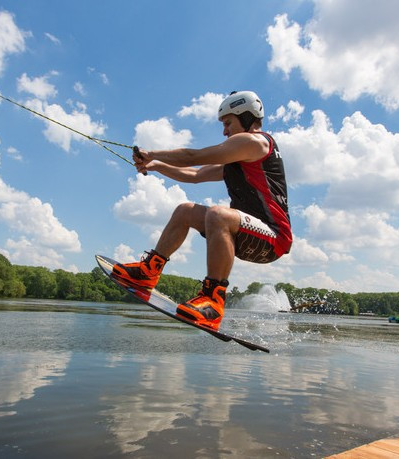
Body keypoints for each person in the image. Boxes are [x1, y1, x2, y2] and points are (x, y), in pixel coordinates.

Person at [112, 91, 292, 330]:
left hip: (273, 238)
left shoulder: (255, 143)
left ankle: (213, 300)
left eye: (228, 123)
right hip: (246, 233)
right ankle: (148, 272)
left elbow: (192, 157)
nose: (224, 131)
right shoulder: (239, 160)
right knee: (185, 210)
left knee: (218, 214)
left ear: (246, 117)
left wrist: (152, 153)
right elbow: (195, 174)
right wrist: (155, 165)